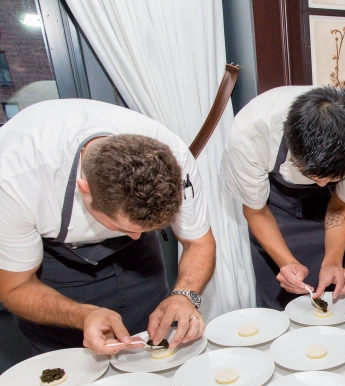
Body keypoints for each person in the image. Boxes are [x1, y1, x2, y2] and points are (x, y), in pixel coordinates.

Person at [0, 99, 215, 357]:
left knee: (152, 350)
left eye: (145, 229)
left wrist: (184, 295)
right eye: (121, 227)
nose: (135, 237)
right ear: (84, 189)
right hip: (52, 266)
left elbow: (198, 242)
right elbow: (15, 286)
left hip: (139, 265)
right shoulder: (13, 180)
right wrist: (83, 315)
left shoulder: (175, 158)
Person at [222, 86, 345, 310]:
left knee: (343, 303)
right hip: (274, 211)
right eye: (313, 176)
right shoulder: (250, 134)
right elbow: (256, 211)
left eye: (333, 178)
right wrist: (286, 263)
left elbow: (340, 205)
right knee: (283, 311)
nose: (321, 186)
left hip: (336, 211)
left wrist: (333, 262)